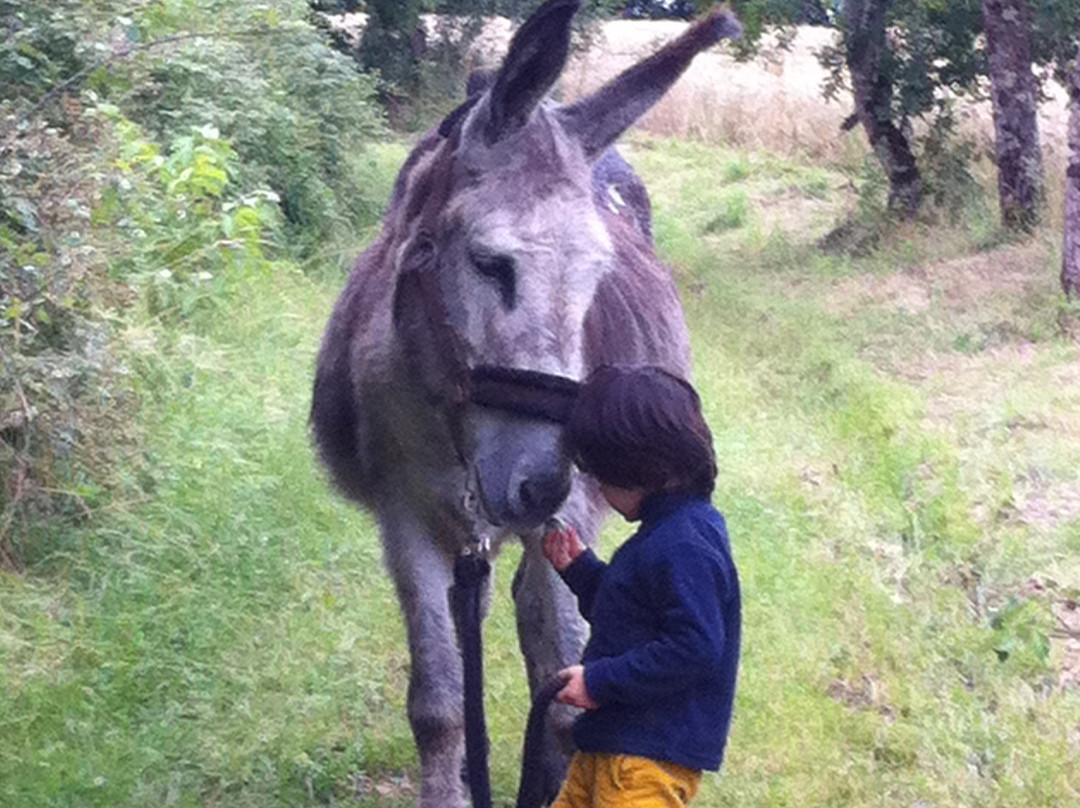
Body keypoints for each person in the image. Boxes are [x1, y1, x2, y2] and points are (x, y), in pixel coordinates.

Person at [542, 364, 741, 808]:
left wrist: (600, 681)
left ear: (639, 469)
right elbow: (630, 618)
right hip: (611, 745)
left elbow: (695, 646)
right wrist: (580, 570)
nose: (598, 489)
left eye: (600, 476)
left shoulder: (685, 543)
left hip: (646, 760)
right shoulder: (664, 534)